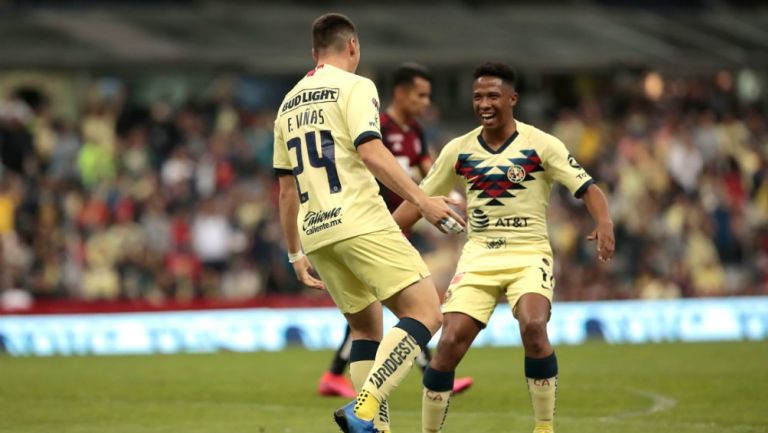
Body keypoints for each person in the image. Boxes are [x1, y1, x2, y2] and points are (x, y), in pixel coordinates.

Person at [392, 62, 615, 433]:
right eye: (478, 96)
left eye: (493, 95)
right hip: (479, 256)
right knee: (447, 344)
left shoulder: (542, 144)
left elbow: (588, 188)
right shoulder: (458, 150)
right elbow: (419, 200)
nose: (484, 103)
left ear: (512, 99)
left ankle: (544, 427)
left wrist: (604, 222)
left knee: (532, 325)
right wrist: (383, 236)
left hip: (528, 254)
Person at [273, 13, 465, 433]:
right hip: (360, 220)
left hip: (317, 234)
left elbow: (286, 191)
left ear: (313, 53)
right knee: (427, 312)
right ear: (353, 47)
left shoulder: (288, 104)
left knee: (365, 331)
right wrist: (422, 201)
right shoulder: (357, 87)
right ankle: (364, 408)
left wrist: (294, 254)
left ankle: (374, 429)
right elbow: (372, 151)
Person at [317, 63, 474, 399]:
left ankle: (342, 381)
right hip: (368, 226)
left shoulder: (415, 132)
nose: (425, 102)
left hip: (395, 225)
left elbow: (431, 174)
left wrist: (460, 200)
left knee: (377, 314)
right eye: (420, 94)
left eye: (429, 96)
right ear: (401, 93)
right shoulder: (375, 124)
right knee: (413, 309)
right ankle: (428, 375)